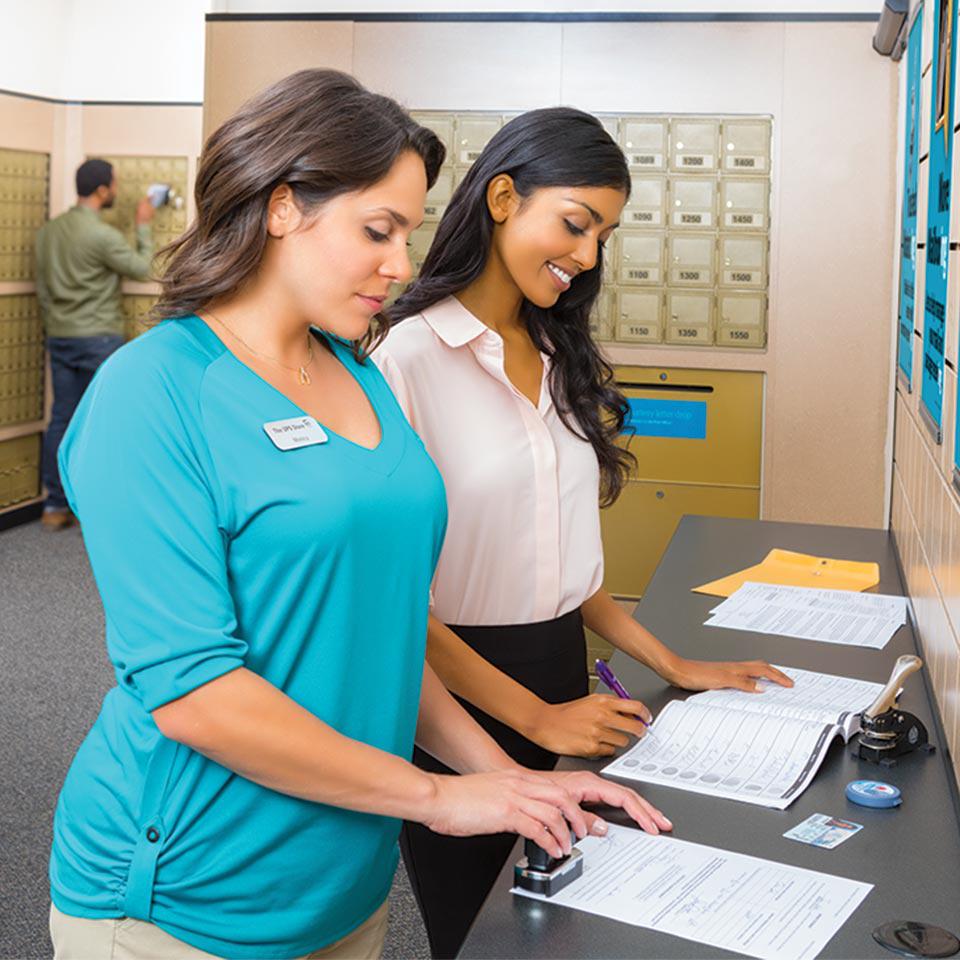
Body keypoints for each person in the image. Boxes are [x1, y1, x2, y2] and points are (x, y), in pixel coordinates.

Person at [47, 73, 671, 960]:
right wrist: (440, 799)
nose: (401, 264)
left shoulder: (355, 370)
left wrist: (512, 781)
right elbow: (193, 696)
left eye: (407, 235)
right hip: (184, 895)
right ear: (280, 208)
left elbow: (384, 628)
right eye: (377, 231)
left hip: (344, 875)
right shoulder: (153, 391)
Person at [372, 107, 793, 959]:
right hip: (456, 696)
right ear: (500, 198)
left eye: (603, 233)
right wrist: (539, 719)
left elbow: (561, 563)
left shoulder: (556, 351)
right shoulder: (404, 360)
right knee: (483, 934)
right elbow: (395, 601)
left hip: (562, 669)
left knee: (565, 927)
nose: (588, 255)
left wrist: (672, 663)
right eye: (574, 223)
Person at [35, 158, 155, 530]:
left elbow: (42, 290)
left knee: (61, 418)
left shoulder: (48, 232)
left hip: (60, 335)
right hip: (98, 338)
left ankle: (55, 506)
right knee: (109, 420)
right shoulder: (101, 236)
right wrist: (144, 225)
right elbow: (143, 267)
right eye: (114, 184)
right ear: (103, 190)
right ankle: (105, 508)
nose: (116, 190)